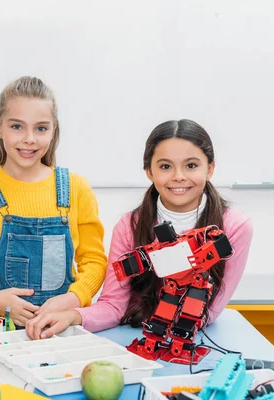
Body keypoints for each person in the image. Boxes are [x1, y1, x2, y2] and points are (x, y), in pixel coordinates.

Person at [26, 119, 253, 339]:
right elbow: (114, 305)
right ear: (149, 172)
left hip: (191, 339)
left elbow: (209, 312)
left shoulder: (235, 227)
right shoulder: (129, 226)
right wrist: (72, 317)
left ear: (210, 169)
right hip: (135, 335)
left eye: (191, 165)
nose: (179, 177)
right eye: (165, 166)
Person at [0, 76, 107, 326]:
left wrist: (73, 298)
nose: (29, 139)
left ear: (53, 130)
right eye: (17, 126)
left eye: (41, 128)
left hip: (59, 328)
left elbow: (94, 260)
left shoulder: (76, 188)